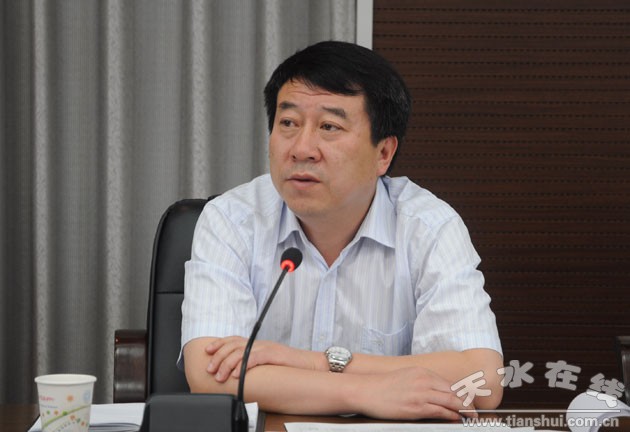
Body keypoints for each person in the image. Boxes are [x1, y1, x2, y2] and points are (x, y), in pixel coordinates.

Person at [179, 40, 503, 420]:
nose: (302, 148)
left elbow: (483, 381)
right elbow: (210, 375)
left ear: (383, 154)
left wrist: (310, 362)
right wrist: (368, 391)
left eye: (329, 127)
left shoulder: (428, 228)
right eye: (288, 123)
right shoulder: (232, 220)